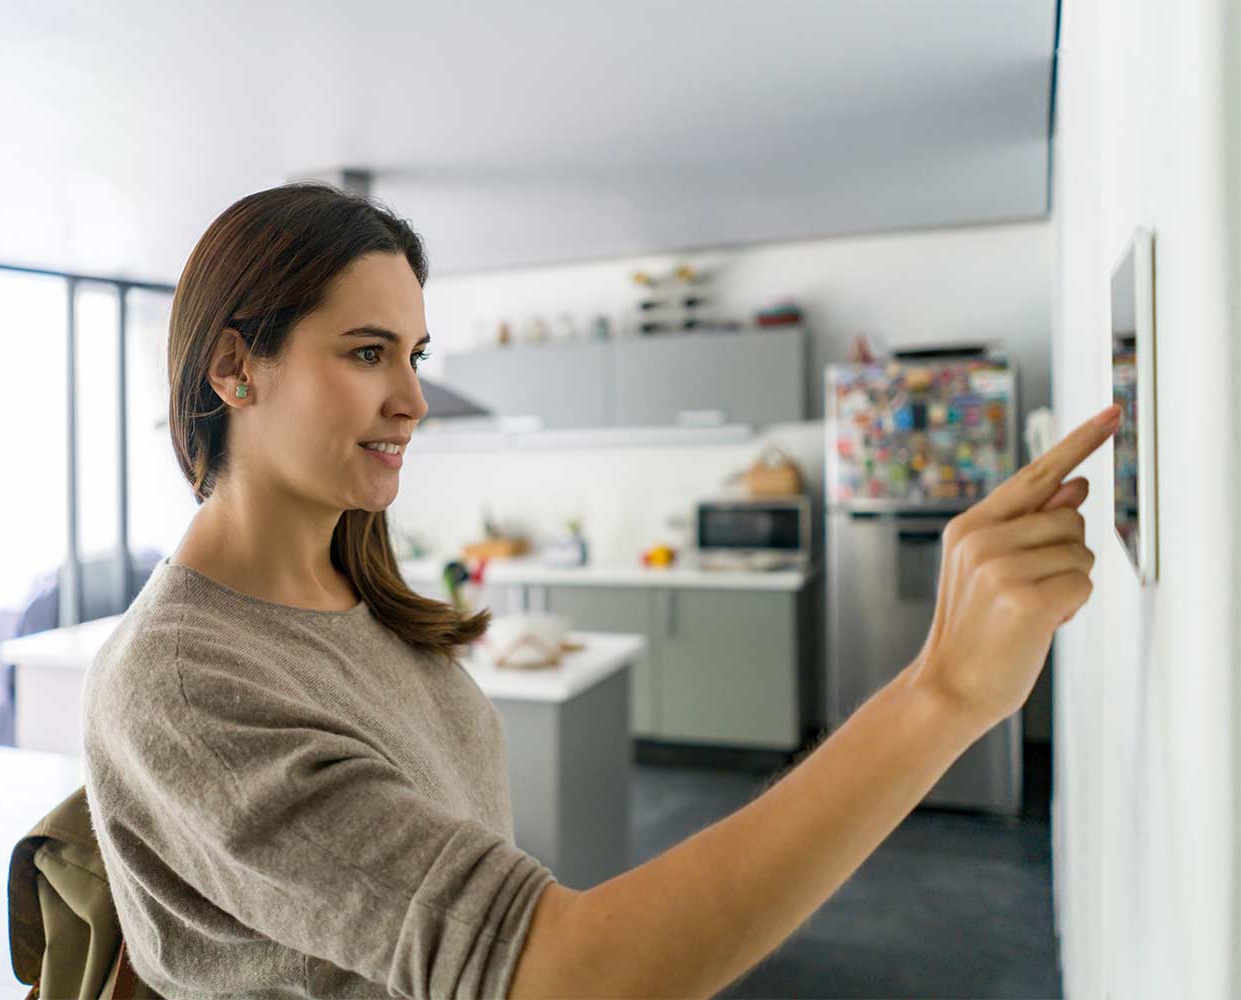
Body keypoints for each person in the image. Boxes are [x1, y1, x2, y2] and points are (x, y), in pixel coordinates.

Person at [82, 180, 1120, 1000]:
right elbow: (563, 975)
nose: (412, 398)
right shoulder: (184, 682)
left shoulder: (355, 597)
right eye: (367, 353)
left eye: (414, 353)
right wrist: (942, 693)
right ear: (233, 369)